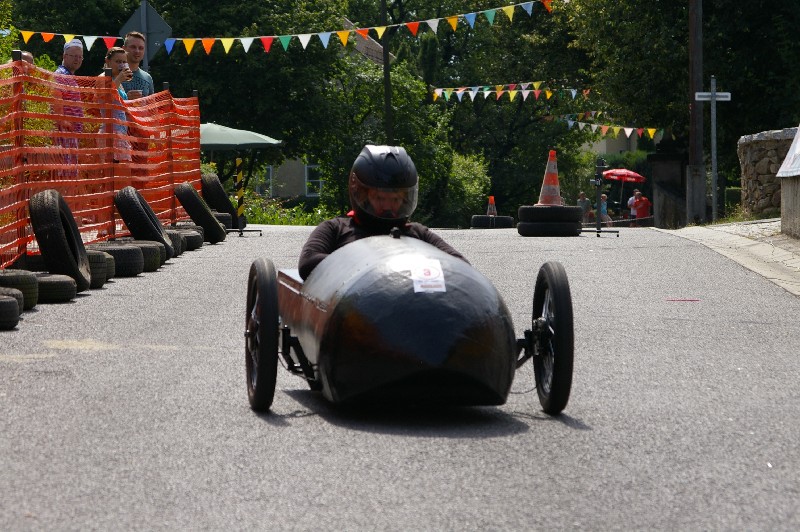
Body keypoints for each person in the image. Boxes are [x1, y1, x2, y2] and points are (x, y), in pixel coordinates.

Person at [298, 145, 469, 280]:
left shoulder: (417, 232)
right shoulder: (335, 228)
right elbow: (308, 263)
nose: (387, 206)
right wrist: (373, 262)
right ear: (360, 194)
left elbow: (461, 265)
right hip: (354, 309)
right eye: (379, 198)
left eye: (395, 199)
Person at [53, 39, 85, 176]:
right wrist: (63, 121)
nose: (77, 59)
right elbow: (56, 100)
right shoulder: (60, 75)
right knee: (65, 174)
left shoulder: (69, 76)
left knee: (71, 173)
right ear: (64, 56)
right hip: (64, 134)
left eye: (80, 57)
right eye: (74, 56)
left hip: (71, 134)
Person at [99, 47, 134, 161]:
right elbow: (106, 98)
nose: (121, 65)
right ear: (107, 61)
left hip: (121, 132)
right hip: (109, 132)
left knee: (123, 171)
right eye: (118, 62)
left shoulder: (117, 80)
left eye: (124, 62)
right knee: (112, 170)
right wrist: (119, 79)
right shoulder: (103, 78)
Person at [121, 31, 154, 99]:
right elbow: (103, 102)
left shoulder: (147, 77)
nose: (137, 51)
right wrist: (125, 98)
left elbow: (152, 103)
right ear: (124, 49)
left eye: (141, 48)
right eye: (133, 47)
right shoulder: (112, 75)